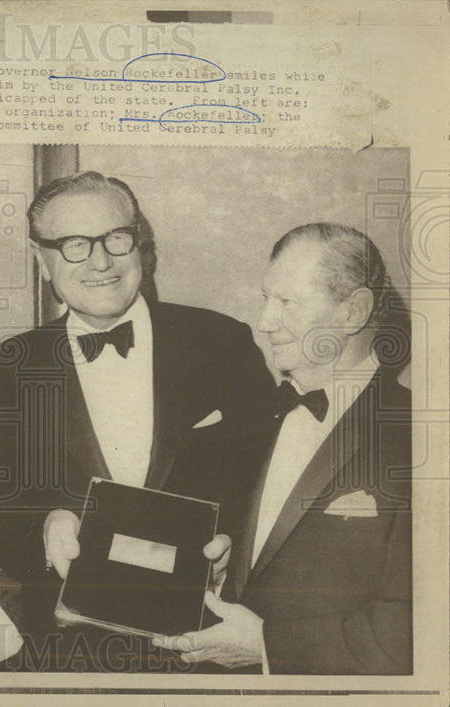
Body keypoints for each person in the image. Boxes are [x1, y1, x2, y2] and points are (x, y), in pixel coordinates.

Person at [0, 171, 276, 671]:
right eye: (74, 244)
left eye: (115, 238)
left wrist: (233, 551)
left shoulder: (222, 341)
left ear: (140, 243)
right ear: (41, 259)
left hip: (210, 651)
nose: (100, 262)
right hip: (67, 658)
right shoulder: (2, 370)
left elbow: (269, 477)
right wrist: (45, 532)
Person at [154, 223, 412, 674]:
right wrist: (210, 576)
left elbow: (414, 628)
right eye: (265, 299)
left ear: (354, 312)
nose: (264, 323)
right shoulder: (244, 424)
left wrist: (271, 649)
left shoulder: (420, 438)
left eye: (287, 302)